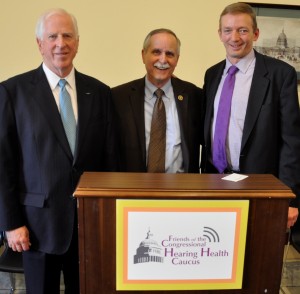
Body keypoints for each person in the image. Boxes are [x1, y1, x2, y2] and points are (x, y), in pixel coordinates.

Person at [0, 8, 117, 294]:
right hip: (37, 228)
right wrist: (11, 223)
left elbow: (111, 160)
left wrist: (110, 219)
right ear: (39, 43)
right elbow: (3, 165)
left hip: (89, 226)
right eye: (52, 36)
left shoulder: (100, 92)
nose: (60, 43)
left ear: (78, 42)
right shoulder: (12, 92)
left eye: (67, 35)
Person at [201, 2, 300, 228]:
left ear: (255, 33)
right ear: (220, 34)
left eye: (242, 30)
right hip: (214, 182)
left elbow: (292, 142)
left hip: (262, 187)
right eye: (228, 30)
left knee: (258, 260)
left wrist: (290, 197)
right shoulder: (212, 74)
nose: (234, 37)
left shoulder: (280, 75)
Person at [112, 28, 203, 173]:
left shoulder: (194, 96)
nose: (163, 60)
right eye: (156, 52)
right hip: (131, 190)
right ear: (143, 55)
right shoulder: (117, 98)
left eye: (170, 54)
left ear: (177, 59)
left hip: (182, 190)